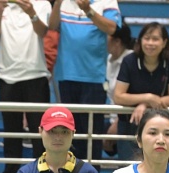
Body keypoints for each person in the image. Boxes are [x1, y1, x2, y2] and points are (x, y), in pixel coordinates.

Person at [0, 0, 52, 173]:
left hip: (36, 75)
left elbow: (43, 32)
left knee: (40, 134)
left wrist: (31, 12)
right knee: (11, 134)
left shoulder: (42, 5)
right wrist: (0, 10)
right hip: (7, 77)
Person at [49, 0, 120, 162]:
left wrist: (88, 10)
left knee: (92, 135)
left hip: (94, 77)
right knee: (68, 132)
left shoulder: (106, 2)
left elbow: (111, 28)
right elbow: (52, 26)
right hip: (66, 75)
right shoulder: (64, 2)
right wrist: (58, 3)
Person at [112, 23, 169, 161]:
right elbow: (118, 96)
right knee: (128, 168)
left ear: (164, 42)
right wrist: (147, 98)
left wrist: (146, 106)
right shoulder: (130, 61)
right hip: (129, 123)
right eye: (146, 38)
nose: (150, 43)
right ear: (140, 40)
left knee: (157, 165)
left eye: (155, 39)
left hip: (159, 124)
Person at [104, 22, 134, 157]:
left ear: (117, 41)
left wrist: (116, 123)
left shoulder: (131, 61)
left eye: (106, 36)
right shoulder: (110, 59)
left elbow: (133, 96)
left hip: (128, 121)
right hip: (114, 119)